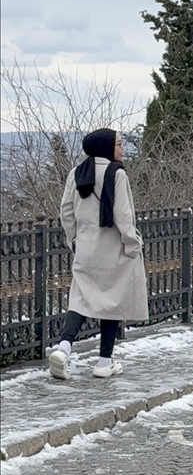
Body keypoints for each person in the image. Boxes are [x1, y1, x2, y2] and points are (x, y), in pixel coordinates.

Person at [48, 129, 148, 380]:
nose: (122, 148)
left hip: (86, 247)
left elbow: (66, 211)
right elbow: (123, 215)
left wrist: (74, 239)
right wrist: (132, 243)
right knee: (111, 302)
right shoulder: (118, 174)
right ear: (106, 147)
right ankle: (104, 361)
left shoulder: (77, 173)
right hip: (112, 247)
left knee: (81, 298)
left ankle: (64, 347)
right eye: (118, 143)